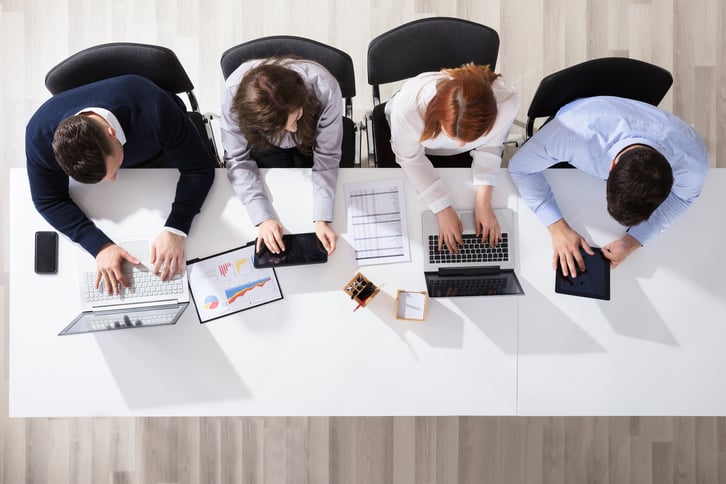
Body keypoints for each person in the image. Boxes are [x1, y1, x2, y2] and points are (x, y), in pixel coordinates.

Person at [26, 74, 216, 293]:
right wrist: (99, 246)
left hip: (160, 148)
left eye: (112, 170)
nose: (112, 180)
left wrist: (176, 228)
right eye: (104, 178)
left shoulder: (153, 108)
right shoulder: (38, 136)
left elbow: (199, 169)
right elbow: (47, 200)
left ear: (112, 133)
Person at [508, 95, 709, 276]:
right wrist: (557, 227)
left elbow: (684, 197)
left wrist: (634, 241)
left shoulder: (692, 160)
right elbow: (519, 167)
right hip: (584, 115)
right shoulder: (571, 133)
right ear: (609, 168)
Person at [385, 63, 519, 253]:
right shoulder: (408, 109)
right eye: (453, 136)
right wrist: (442, 208)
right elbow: (409, 158)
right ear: (438, 116)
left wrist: (484, 201)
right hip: (411, 142)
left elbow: (491, 145)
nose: (461, 146)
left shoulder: (507, 102)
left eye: (471, 138)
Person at [222, 57, 342, 256]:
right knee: (284, 202)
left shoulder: (325, 87)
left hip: (311, 136)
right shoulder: (233, 95)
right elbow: (237, 158)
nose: (292, 128)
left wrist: (322, 218)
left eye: (295, 116)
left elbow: (327, 156)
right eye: (283, 126)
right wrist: (262, 218)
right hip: (264, 143)